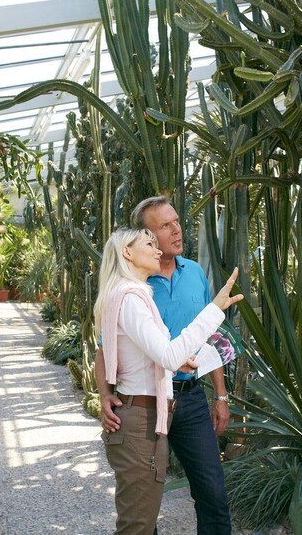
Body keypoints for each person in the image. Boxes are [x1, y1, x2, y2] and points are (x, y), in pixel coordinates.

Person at [96, 196, 234, 534]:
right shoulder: (134, 292)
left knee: (212, 493)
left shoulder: (194, 273)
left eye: (176, 221)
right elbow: (108, 349)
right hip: (147, 404)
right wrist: (104, 394)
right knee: (145, 507)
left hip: (189, 398)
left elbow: (208, 341)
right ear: (142, 240)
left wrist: (220, 395)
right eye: (164, 226)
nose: (176, 230)